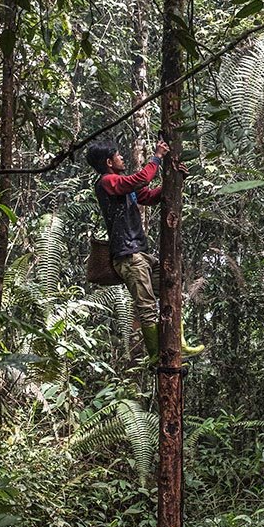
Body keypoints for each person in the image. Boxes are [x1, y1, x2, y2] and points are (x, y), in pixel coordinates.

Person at [87, 138, 202, 363]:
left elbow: (148, 196)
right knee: (147, 306)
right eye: (118, 155)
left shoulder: (120, 184)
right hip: (129, 256)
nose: (122, 158)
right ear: (109, 162)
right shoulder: (108, 181)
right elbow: (140, 180)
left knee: (172, 286)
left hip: (141, 253)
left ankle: (180, 344)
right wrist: (156, 157)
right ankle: (156, 354)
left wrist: (177, 180)